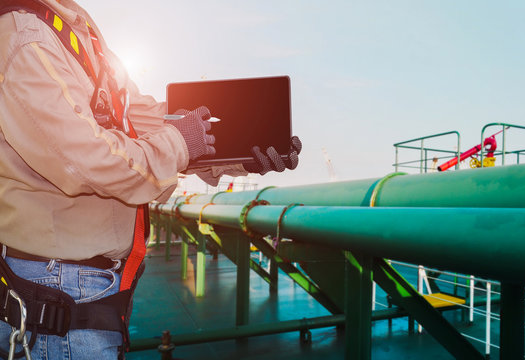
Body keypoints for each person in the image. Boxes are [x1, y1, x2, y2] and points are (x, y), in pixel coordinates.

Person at [0, 0, 301, 358]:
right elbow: (84, 160)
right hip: (57, 290)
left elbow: (148, 121)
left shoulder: (76, 31)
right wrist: (180, 143)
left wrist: (240, 155)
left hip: (86, 285)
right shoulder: (25, 37)